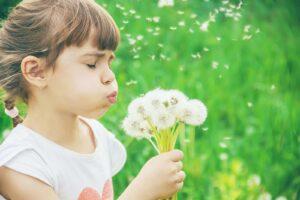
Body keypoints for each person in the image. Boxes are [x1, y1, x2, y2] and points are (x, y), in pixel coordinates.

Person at [0, 0, 186, 199]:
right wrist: (141, 192)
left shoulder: (95, 134)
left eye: (109, 62)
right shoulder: (21, 165)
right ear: (36, 71)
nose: (109, 77)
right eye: (91, 64)